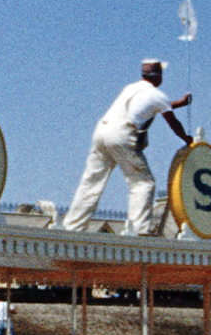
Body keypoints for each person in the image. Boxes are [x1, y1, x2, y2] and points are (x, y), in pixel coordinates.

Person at [62, 59, 193, 235]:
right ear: (159, 76)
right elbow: (172, 121)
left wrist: (179, 103)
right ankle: (139, 229)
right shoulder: (158, 95)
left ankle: (72, 227)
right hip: (122, 134)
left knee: (92, 181)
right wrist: (186, 138)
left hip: (102, 131)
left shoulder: (131, 88)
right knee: (143, 183)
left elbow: (154, 107)